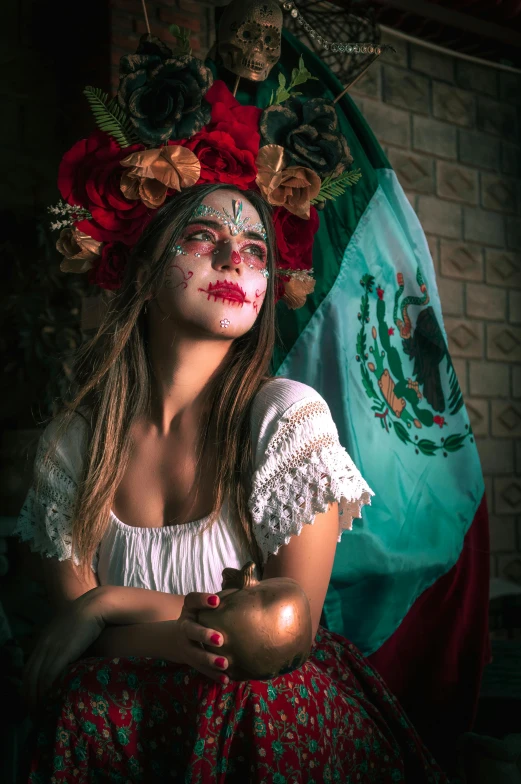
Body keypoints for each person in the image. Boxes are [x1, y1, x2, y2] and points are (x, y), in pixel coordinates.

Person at [15, 183, 448, 783]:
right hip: (119, 725)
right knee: (80, 700)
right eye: (202, 236)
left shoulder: (286, 418)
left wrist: (109, 602)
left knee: (247, 697)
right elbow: (74, 646)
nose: (234, 259)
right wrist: (129, 632)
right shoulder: (72, 444)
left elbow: (284, 631)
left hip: (261, 718)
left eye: (254, 249)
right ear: (145, 264)